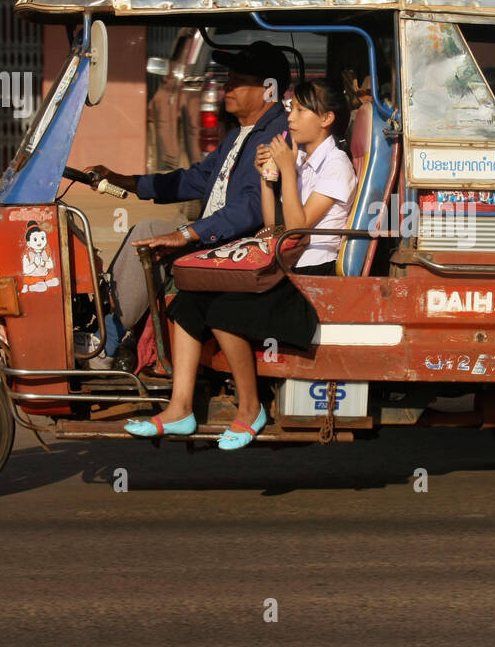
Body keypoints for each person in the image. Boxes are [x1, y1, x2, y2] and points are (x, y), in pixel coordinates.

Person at [123, 80, 357, 446]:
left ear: (326, 118)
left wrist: (288, 174)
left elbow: (295, 231)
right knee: (188, 302)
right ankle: (180, 408)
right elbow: (271, 226)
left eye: (299, 111)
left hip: (310, 280)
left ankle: (251, 409)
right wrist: (269, 179)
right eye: (291, 109)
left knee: (223, 312)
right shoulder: (301, 158)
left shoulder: (336, 166)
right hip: (284, 265)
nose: (290, 119)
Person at [86, 41, 291, 355]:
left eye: (239, 79)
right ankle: (107, 327)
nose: (228, 86)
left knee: (149, 235)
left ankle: (106, 343)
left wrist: (185, 234)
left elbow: (250, 208)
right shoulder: (241, 132)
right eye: (229, 77)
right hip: (217, 237)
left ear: (268, 90)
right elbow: (194, 179)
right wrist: (121, 180)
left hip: (239, 246)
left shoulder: (273, 136)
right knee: (148, 231)